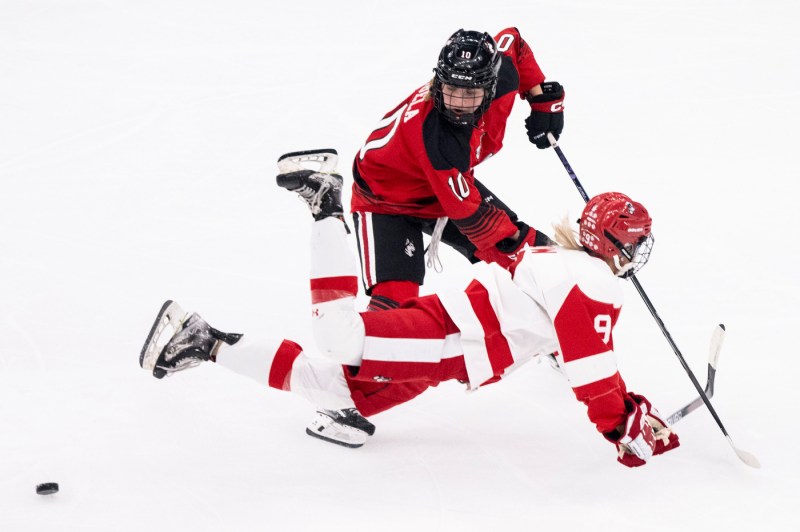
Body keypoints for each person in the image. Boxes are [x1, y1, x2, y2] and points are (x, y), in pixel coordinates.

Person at [139, 161, 680, 468]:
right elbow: (592, 368)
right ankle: (327, 205)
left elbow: (569, 347)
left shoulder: (560, 261)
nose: (639, 253)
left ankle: (202, 340)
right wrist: (623, 424)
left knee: (338, 391)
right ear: (614, 244)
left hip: (447, 344)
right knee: (338, 339)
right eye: (636, 242)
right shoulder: (592, 280)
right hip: (446, 342)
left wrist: (629, 408)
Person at [351, 27, 566, 311]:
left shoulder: (503, 75)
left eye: (469, 92)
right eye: (450, 89)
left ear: (491, 86)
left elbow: (512, 40)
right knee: (395, 303)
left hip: (439, 183)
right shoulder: (439, 141)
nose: (457, 103)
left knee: (523, 257)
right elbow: (471, 216)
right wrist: (522, 239)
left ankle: (559, 318)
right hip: (384, 200)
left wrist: (539, 99)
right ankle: (372, 352)